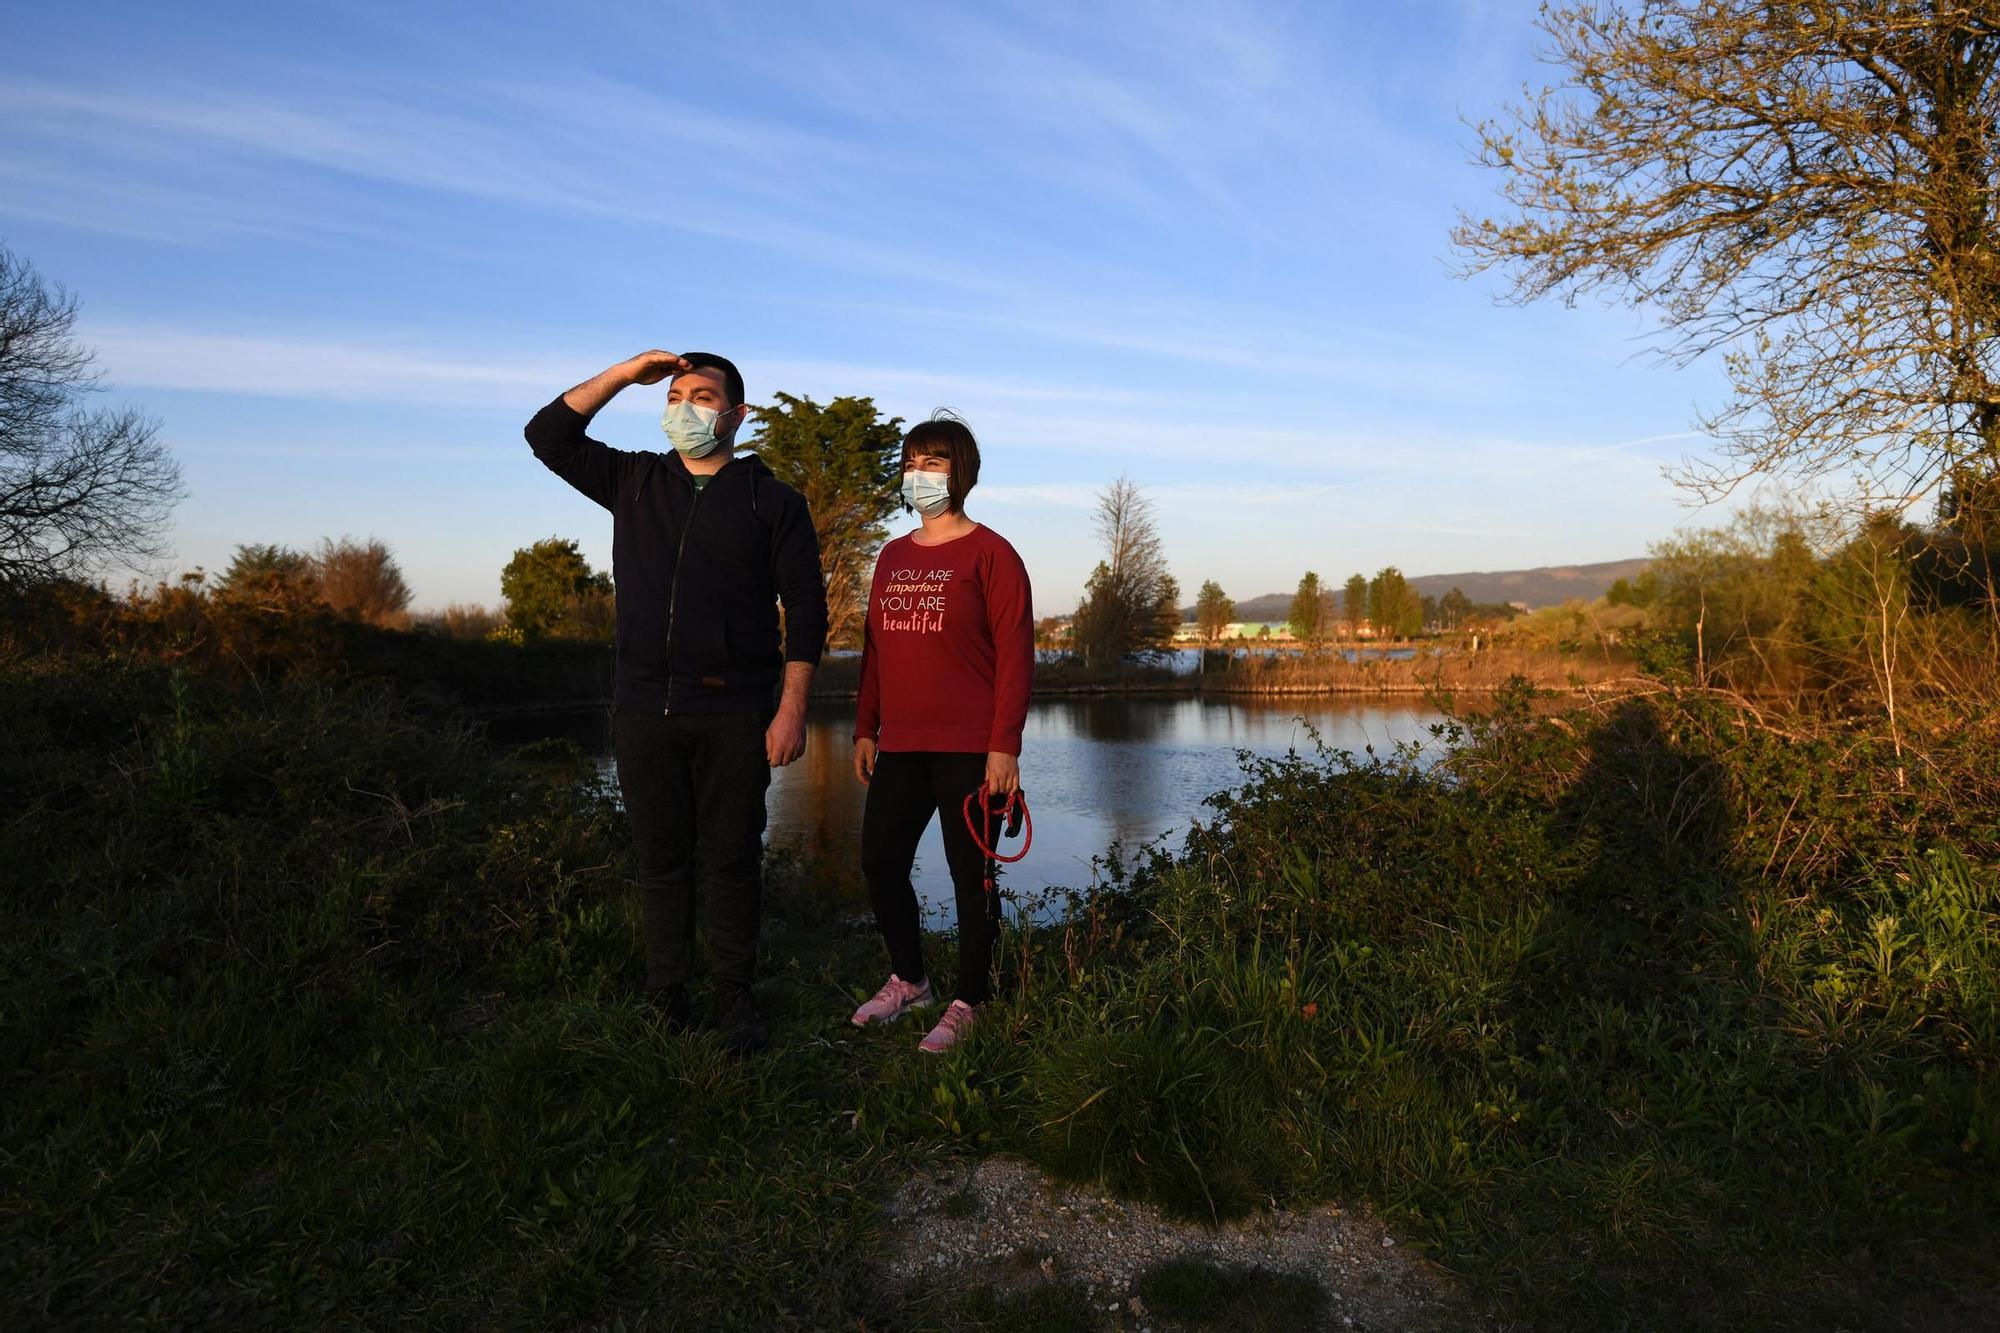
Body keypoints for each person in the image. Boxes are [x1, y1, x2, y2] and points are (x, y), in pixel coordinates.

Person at [524, 350, 827, 1056]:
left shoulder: (773, 502)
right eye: (677, 395)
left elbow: (806, 608)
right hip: (641, 711)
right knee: (659, 861)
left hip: (734, 711)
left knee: (729, 858)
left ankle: (734, 999)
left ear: (735, 414)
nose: (685, 407)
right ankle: (668, 994)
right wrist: (625, 374)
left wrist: (791, 708)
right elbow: (548, 436)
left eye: (703, 396)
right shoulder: (633, 480)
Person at [848, 413, 1033, 1053]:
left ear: (962, 474)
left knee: (969, 876)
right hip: (899, 743)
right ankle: (911, 979)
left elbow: (1015, 655)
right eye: (912, 462)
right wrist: (864, 727)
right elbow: (875, 649)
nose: (920, 474)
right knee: (880, 861)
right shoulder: (892, 557)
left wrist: (1003, 746)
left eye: (934, 463)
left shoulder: (992, 554)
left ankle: (970, 1001)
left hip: (970, 748)